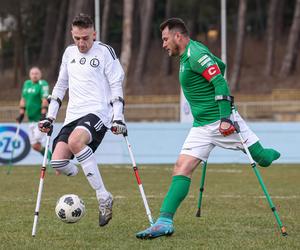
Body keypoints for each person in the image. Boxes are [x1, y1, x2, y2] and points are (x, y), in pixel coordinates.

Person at [136, 18, 281, 239]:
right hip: (201, 127)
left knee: (262, 157)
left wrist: (225, 118)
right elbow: (219, 66)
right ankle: (164, 222)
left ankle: (271, 154)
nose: (163, 44)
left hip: (221, 121)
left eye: (165, 39)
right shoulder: (187, 56)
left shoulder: (194, 54)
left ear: (178, 36)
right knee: (181, 167)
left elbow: (220, 82)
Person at [38, 13, 127, 227]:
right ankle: (88, 169)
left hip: (98, 113)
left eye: (85, 37)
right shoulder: (69, 53)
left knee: (75, 142)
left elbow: (116, 83)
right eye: (77, 38)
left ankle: (103, 196)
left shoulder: (105, 51)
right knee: (57, 162)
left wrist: (118, 117)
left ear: (94, 34)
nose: (81, 42)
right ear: (72, 34)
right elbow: (60, 86)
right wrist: (50, 116)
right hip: (72, 115)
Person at [16, 66, 51, 159]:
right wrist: (21, 114)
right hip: (30, 120)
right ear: (29, 75)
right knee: (35, 146)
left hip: (40, 120)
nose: (34, 75)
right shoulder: (27, 83)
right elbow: (23, 99)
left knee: (37, 142)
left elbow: (44, 100)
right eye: (32, 73)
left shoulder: (42, 84)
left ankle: (55, 162)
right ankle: (52, 159)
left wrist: (43, 115)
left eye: (36, 73)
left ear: (40, 75)